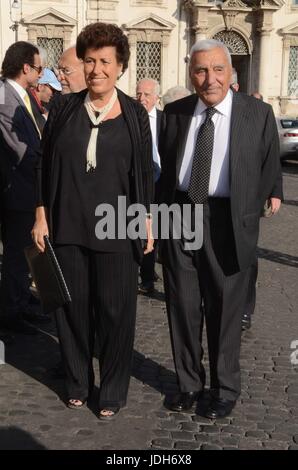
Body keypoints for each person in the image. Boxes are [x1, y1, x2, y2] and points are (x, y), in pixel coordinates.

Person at [31, 22, 154, 420]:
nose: (96, 69)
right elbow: (43, 164)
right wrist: (40, 213)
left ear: (120, 66)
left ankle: (114, 390)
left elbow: (143, 174)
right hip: (66, 226)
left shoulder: (135, 114)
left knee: (116, 312)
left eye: (105, 61)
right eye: (89, 61)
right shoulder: (65, 108)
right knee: (72, 310)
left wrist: (147, 219)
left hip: (118, 227)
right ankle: (78, 381)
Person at [159, 39, 281, 419]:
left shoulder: (256, 113)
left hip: (227, 219)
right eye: (200, 70)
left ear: (231, 74)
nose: (208, 78)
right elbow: (164, 163)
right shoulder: (175, 112)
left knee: (226, 308)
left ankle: (224, 387)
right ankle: (188, 384)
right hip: (180, 213)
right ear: (191, 74)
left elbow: (269, 157)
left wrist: (273, 190)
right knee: (181, 305)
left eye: (217, 70)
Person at [0, 41, 46, 335]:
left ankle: (21, 303)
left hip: (28, 190)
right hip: (16, 192)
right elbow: (22, 150)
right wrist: (50, 171)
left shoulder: (24, 96)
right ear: (26, 67)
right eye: (39, 68)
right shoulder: (4, 98)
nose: (42, 74)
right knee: (16, 256)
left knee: (26, 256)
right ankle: (9, 315)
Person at [241, 92, 283, 330]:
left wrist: (275, 192)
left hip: (250, 199)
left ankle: (245, 310)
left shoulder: (261, 115)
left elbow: (271, 158)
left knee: (247, 257)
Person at [136, 78, 161, 294]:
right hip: (142, 182)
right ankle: (146, 278)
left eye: (146, 95)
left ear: (156, 98)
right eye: (138, 94)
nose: (141, 99)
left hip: (163, 182)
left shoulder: (165, 119)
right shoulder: (132, 118)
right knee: (145, 228)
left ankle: (151, 270)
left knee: (161, 231)